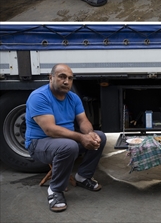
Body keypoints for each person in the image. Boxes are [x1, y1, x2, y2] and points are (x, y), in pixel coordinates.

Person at [25, 64, 106, 212]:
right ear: (51, 78)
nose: (66, 81)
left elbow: (83, 121)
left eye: (70, 78)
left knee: (99, 137)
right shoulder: (39, 96)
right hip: (39, 143)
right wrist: (81, 138)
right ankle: (55, 190)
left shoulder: (73, 97)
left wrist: (90, 135)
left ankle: (83, 176)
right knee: (69, 146)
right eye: (62, 77)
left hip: (65, 140)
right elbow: (50, 129)